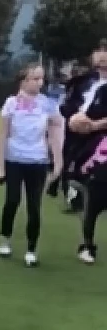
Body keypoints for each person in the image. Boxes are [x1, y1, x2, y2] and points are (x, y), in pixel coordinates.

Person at [0, 63, 64, 267]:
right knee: (12, 200)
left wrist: (58, 162)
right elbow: (2, 135)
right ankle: (5, 238)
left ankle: (31, 249)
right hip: (14, 159)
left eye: (41, 78)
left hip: (38, 161)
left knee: (34, 206)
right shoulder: (11, 103)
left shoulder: (48, 104)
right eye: (34, 78)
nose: (39, 82)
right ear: (23, 81)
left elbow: (54, 134)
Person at [58, 43, 107, 213]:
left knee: (92, 167)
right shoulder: (83, 81)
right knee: (69, 165)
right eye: (98, 52)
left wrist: (94, 125)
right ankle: (73, 199)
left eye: (105, 52)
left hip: (100, 135)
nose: (102, 56)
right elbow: (66, 104)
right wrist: (73, 118)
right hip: (75, 132)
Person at [65, 80, 107, 262]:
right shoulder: (103, 90)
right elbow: (82, 118)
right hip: (101, 150)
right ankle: (87, 245)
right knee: (94, 203)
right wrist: (83, 122)